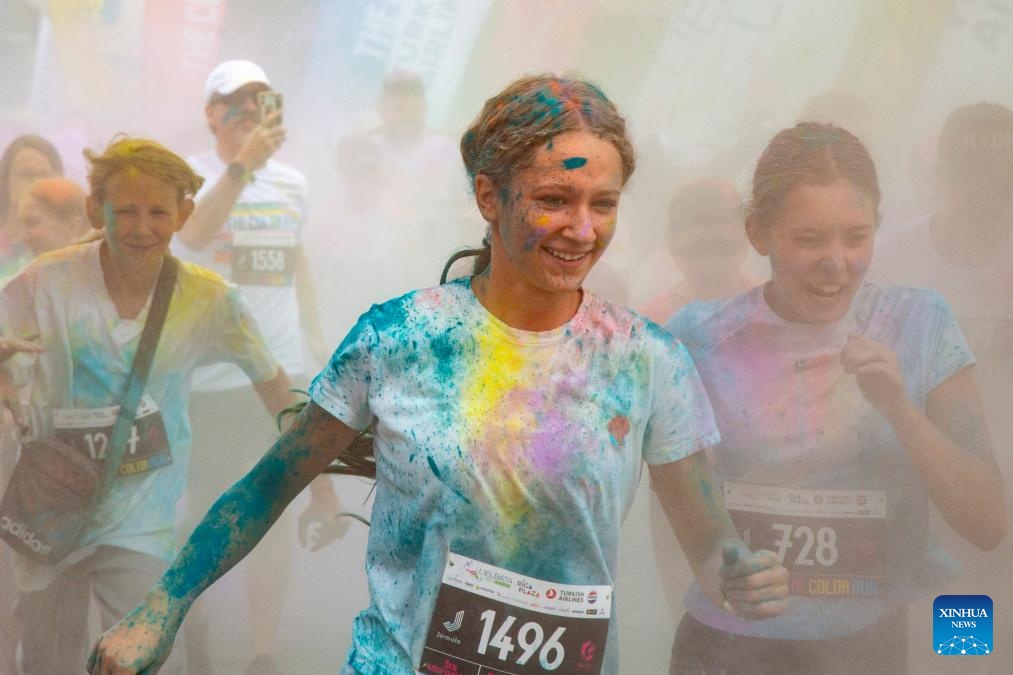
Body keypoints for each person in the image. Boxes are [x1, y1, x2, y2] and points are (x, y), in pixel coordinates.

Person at [87, 73, 788, 675]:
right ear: (488, 196)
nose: (582, 229)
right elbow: (269, 484)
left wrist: (739, 571)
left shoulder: (646, 359)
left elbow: (709, 544)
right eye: (553, 199)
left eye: (601, 204)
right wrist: (163, 604)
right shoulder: (400, 339)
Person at [663, 122, 1006, 674]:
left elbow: (987, 524)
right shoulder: (699, 337)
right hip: (730, 645)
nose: (836, 261)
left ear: (878, 227)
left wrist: (900, 410)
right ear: (757, 233)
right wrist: (704, 577)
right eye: (809, 240)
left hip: (877, 640)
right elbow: (668, 501)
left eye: (856, 237)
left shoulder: (919, 323)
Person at [0, 137, 310, 674]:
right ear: (96, 210)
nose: (141, 227)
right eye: (126, 211)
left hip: (142, 516)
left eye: (158, 212)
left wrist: (321, 480)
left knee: (148, 657)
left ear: (184, 214)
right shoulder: (45, 281)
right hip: (52, 509)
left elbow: (274, 384)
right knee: (49, 658)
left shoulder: (208, 298)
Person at [172, 58, 338, 675]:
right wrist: (241, 167)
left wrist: (314, 337)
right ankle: (189, 623)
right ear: (212, 112)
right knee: (202, 510)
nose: (250, 110)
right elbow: (193, 236)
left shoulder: (293, 182)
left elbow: (295, 259)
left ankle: (261, 652)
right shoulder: (191, 174)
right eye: (237, 101)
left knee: (269, 510)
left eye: (261, 99)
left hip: (279, 372)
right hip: (209, 378)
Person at [872, 101, 1013, 668]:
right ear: (943, 175)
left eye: (1000, 182)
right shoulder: (894, 260)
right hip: (944, 498)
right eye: (973, 179)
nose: (987, 197)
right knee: (964, 655)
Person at [639, 177, 762, 323]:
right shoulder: (650, 322)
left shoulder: (770, 308)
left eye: (722, 247)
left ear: (747, 240)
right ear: (672, 246)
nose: (710, 266)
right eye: (695, 250)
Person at [0, 135, 64, 283]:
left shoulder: (69, 241)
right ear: (5, 180)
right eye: (27, 174)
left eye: (45, 175)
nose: (37, 183)